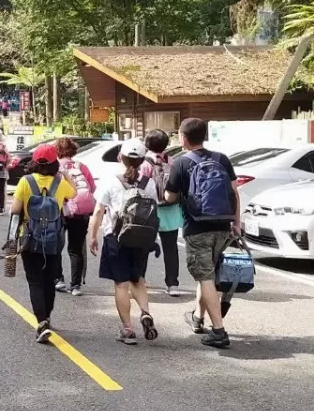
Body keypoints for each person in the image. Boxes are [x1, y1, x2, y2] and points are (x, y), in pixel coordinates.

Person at [164, 118, 239, 349]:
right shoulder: (221, 159)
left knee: (205, 277)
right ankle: (198, 317)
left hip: (197, 228)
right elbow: (234, 193)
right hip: (223, 226)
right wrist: (236, 223)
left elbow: (169, 197)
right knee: (207, 274)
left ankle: (219, 331)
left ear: (183, 138)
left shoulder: (181, 162)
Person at [88, 139, 159, 345]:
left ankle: (127, 330)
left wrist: (93, 236)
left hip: (116, 238)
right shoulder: (149, 183)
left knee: (121, 284)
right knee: (138, 279)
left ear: (120, 157)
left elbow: (98, 211)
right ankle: (145, 312)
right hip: (142, 238)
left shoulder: (111, 181)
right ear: (142, 160)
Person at [9, 144, 78, 343]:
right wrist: (65, 174)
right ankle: (47, 317)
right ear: (54, 163)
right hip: (54, 240)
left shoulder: (26, 181)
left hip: (29, 238)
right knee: (49, 280)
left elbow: (15, 210)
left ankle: (41, 322)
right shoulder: (59, 182)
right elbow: (74, 193)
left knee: (35, 281)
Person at [141, 129, 185, 297]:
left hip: (149, 212)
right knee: (171, 248)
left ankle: (140, 280)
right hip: (171, 211)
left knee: (142, 248)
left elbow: (141, 189)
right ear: (166, 144)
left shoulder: (144, 164)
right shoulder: (172, 162)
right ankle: (173, 284)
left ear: (147, 144)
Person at [55, 137, 96, 296]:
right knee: (76, 249)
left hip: (60, 210)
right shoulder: (81, 166)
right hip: (80, 212)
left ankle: (58, 279)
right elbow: (92, 188)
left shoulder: (56, 167)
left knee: (56, 247)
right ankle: (76, 285)